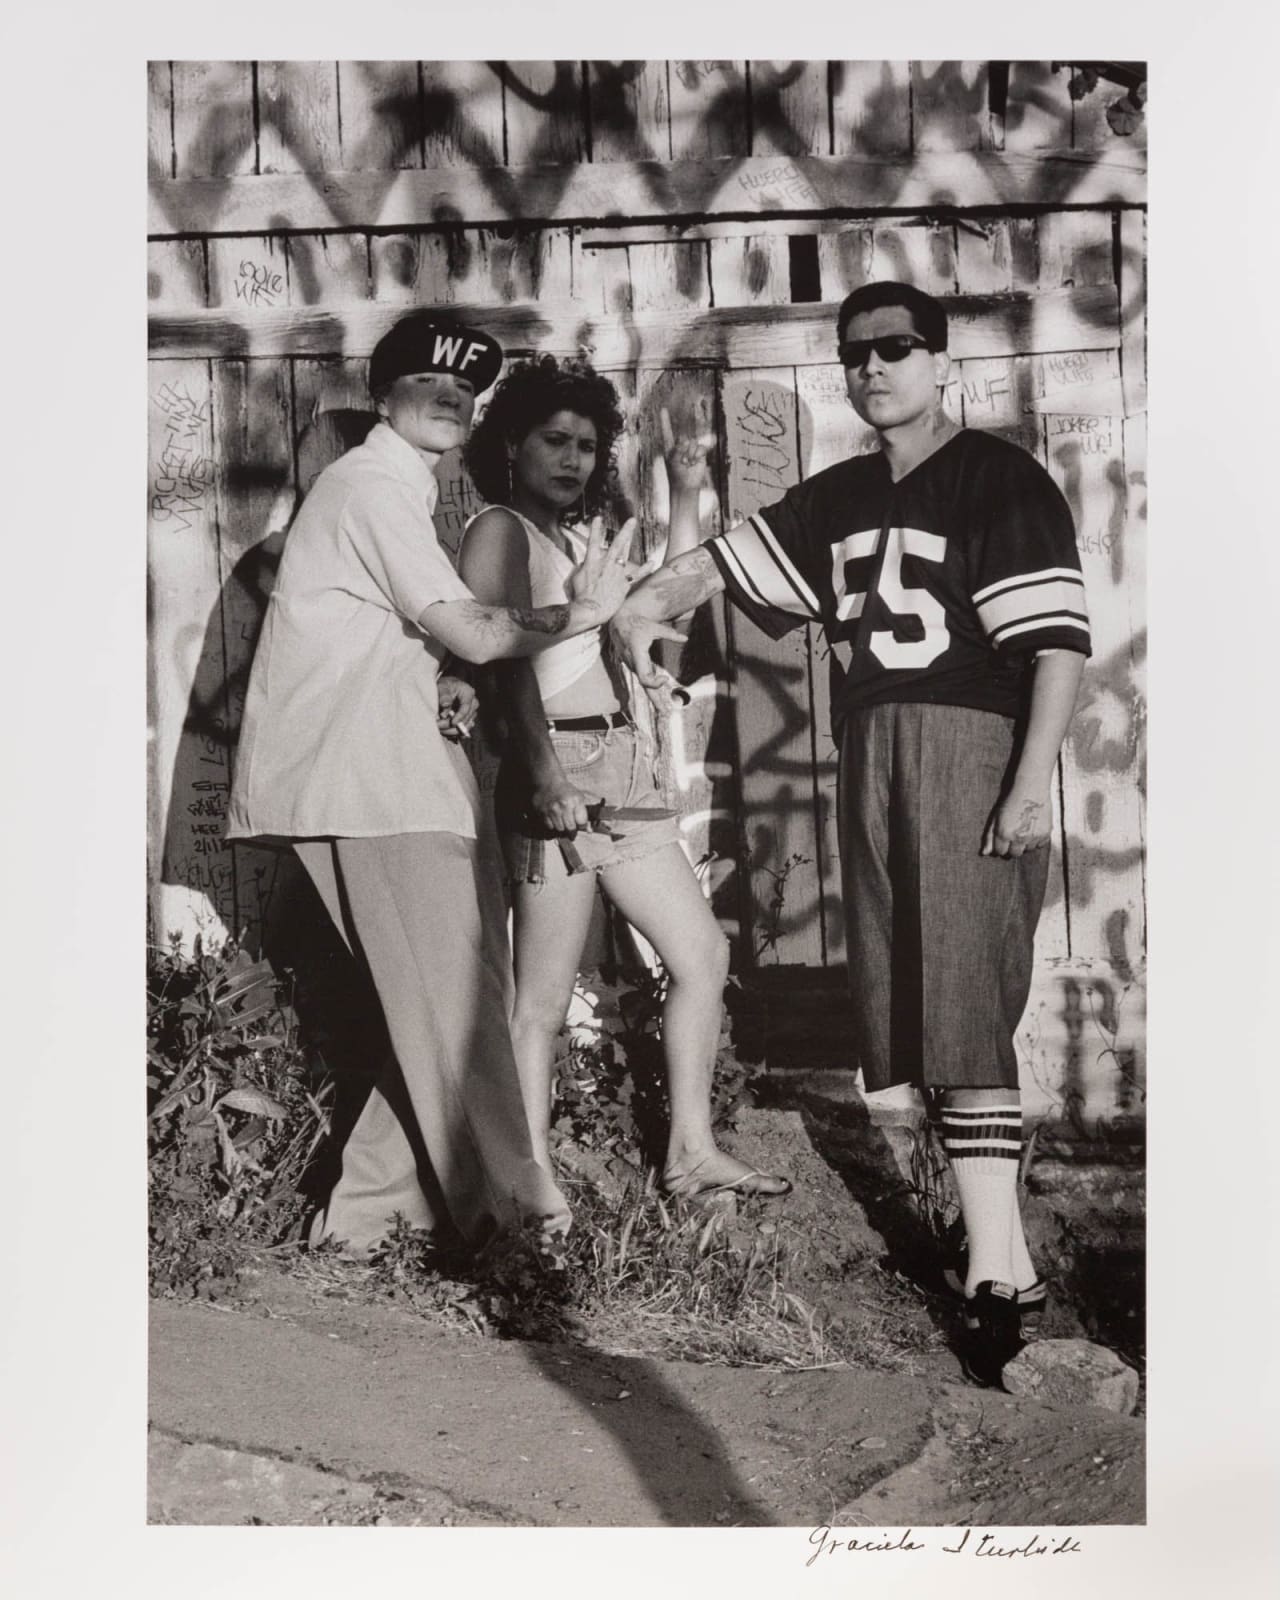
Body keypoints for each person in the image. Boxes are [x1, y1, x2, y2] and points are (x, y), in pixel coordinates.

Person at [611, 282, 1090, 1386]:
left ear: (937, 361)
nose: (873, 369)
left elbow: (1057, 648)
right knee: (914, 1009)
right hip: (870, 742)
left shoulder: (998, 477)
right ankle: (1001, 1268)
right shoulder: (837, 494)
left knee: (964, 998)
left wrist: (1026, 786)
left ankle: (992, 1269)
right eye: (856, 355)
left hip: (970, 739)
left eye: (895, 349)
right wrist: (642, 602)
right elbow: (722, 565)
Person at [226, 311, 637, 1257]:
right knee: (460, 1015)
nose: (450, 397)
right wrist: (586, 610)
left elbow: (442, 647)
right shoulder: (369, 486)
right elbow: (482, 633)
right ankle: (527, 1234)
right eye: (427, 382)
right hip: (373, 785)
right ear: (385, 393)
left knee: (435, 1009)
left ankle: (364, 1226)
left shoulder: (396, 492)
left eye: (466, 389)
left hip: (396, 780)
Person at [457, 355, 790, 1200]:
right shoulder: (498, 530)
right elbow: (501, 668)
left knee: (701, 953)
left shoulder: (577, 538)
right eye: (553, 440)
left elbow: (656, 601)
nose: (571, 459)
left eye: (585, 445)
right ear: (510, 444)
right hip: (558, 771)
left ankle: (689, 1152)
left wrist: (684, 491)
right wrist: (540, 776)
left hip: (622, 767)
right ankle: (532, 1194)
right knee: (540, 998)